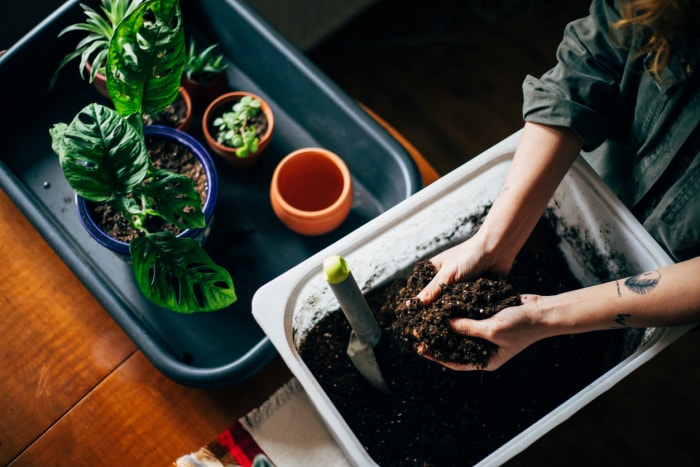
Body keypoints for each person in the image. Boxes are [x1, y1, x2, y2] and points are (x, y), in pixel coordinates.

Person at [415, 0, 700, 371]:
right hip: (598, 181)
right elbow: (588, 64)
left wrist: (543, 317)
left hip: (675, 278)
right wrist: (494, 242)